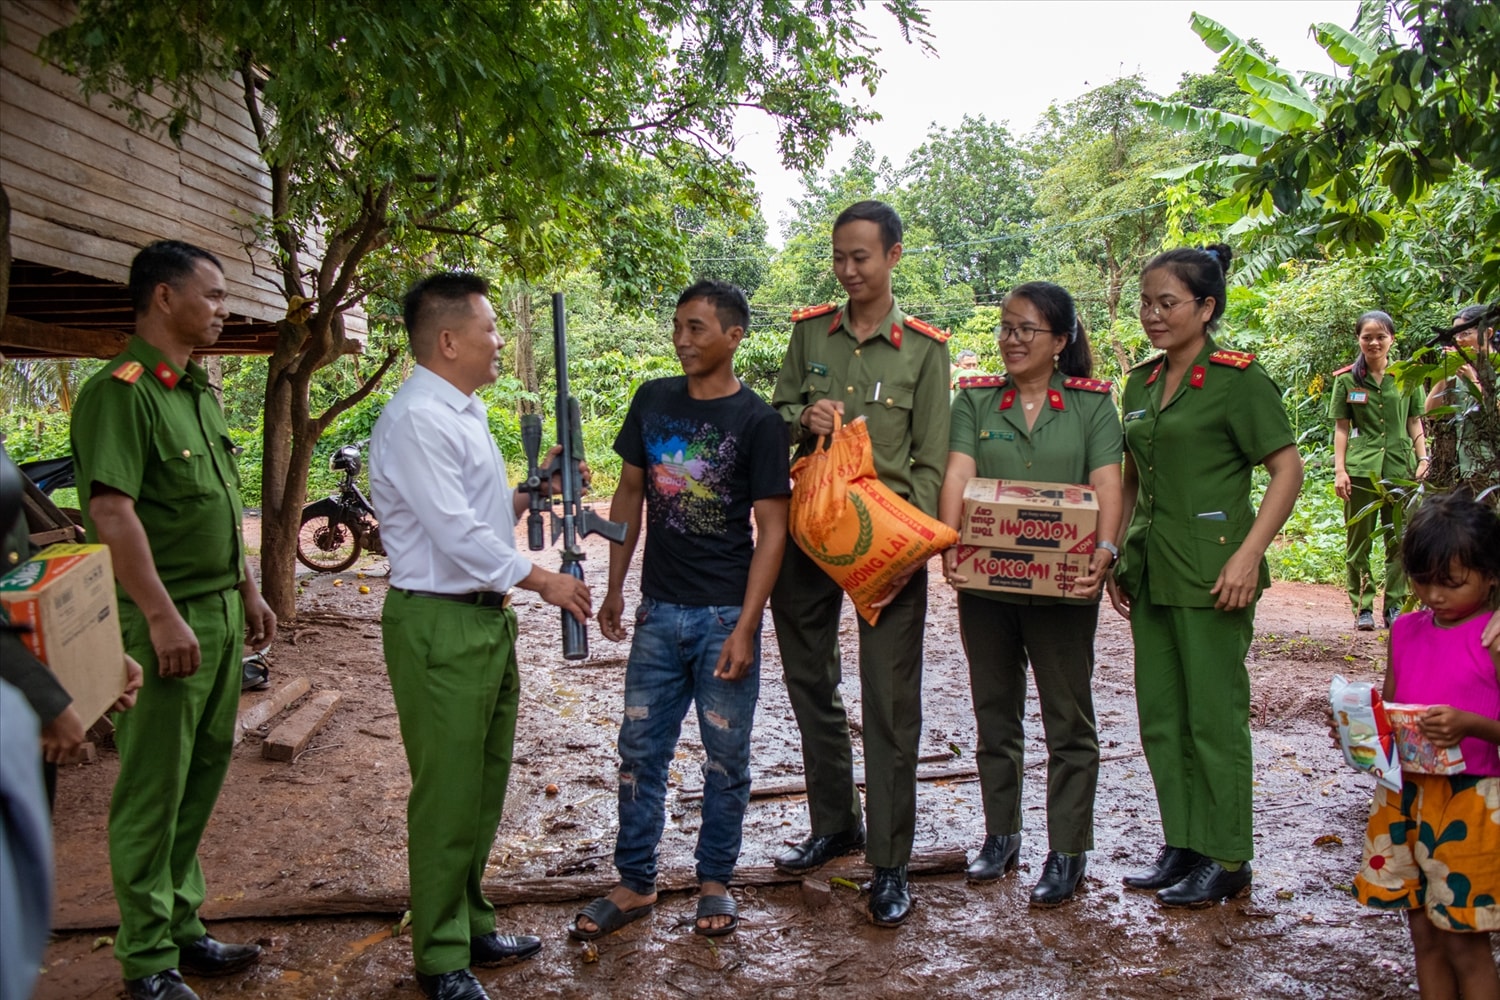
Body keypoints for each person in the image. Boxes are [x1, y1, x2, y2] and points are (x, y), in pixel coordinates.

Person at [370, 272, 592, 1000]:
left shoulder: (460, 412)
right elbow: (455, 533)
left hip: (479, 618)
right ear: (448, 339)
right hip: (439, 620)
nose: (500, 340)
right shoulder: (415, 419)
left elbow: (482, 511)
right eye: (491, 328)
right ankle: (439, 957)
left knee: (482, 784)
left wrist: (532, 494)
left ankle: (467, 921)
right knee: (446, 793)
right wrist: (545, 580)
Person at [70, 240, 277, 1000]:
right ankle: (147, 958)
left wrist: (248, 590)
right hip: (164, 619)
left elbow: (219, 506)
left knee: (200, 777)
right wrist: (159, 617)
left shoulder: (195, 392)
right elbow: (111, 513)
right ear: (164, 297)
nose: (224, 310)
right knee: (153, 787)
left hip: (219, 610)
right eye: (214, 295)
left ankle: (183, 926)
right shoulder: (120, 392)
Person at [570, 280, 790, 942]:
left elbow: (772, 530)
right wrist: (615, 587)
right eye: (677, 327)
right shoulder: (653, 400)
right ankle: (635, 883)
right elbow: (628, 494)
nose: (683, 340)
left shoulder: (758, 422)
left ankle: (715, 882)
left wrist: (748, 627)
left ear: (734, 336)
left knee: (726, 756)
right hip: (658, 613)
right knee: (640, 750)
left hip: (724, 614)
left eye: (697, 328)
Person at [768, 199, 952, 927]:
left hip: (888, 548)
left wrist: (919, 548)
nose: (848, 271)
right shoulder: (811, 333)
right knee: (810, 679)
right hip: (811, 538)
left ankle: (890, 861)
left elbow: (933, 463)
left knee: (889, 700)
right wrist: (799, 420)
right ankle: (834, 821)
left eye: (861, 258)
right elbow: (775, 417)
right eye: (839, 258)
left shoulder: (925, 352)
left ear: (893, 257)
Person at [1106, 244, 1304, 907]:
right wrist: (1115, 550)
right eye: (1146, 303)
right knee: (1162, 717)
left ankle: (1227, 854)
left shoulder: (1238, 379)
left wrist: (1248, 554)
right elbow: (1132, 480)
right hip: (1151, 570)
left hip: (1215, 573)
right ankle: (1183, 843)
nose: (1153, 316)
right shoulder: (1139, 382)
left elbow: (1287, 470)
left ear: (1206, 307)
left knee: (1214, 719)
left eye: (1168, 303)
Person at [938, 282, 1123, 907]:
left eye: (1027, 330)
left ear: (1061, 341)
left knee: (1069, 720)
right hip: (986, 586)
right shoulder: (977, 401)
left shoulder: (1093, 406)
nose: (1012, 341)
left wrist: (1105, 549)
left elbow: (1107, 483)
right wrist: (948, 544)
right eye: (1006, 328)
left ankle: (1067, 849)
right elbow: (958, 475)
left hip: (1067, 589)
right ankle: (1001, 835)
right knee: (995, 712)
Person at [1350, 491, 1500, 1000]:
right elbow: (1391, 711)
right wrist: (1359, 733)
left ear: (1491, 575)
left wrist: (1471, 725)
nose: (1435, 595)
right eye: (1423, 581)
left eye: (1452, 583)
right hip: (1406, 796)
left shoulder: (1493, 637)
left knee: (1465, 942)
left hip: (1471, 801)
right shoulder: (1407, 630)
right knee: (1424, 936)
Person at [1329, 310, 1429, 631]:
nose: (1374, 342)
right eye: (1367, 337)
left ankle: (1395, 606)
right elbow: (1342, 428)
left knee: (1399, 539)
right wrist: (1340, 470)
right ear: (1358, 340)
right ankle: (1362, 608)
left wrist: (1423, 458)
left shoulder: (1407, 376)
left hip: (1401, 469)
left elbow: (1415, 421)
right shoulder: (1346, 380)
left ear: (1391, 339)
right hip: (1360, 471)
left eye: (1380, 336)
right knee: (1358, 541)